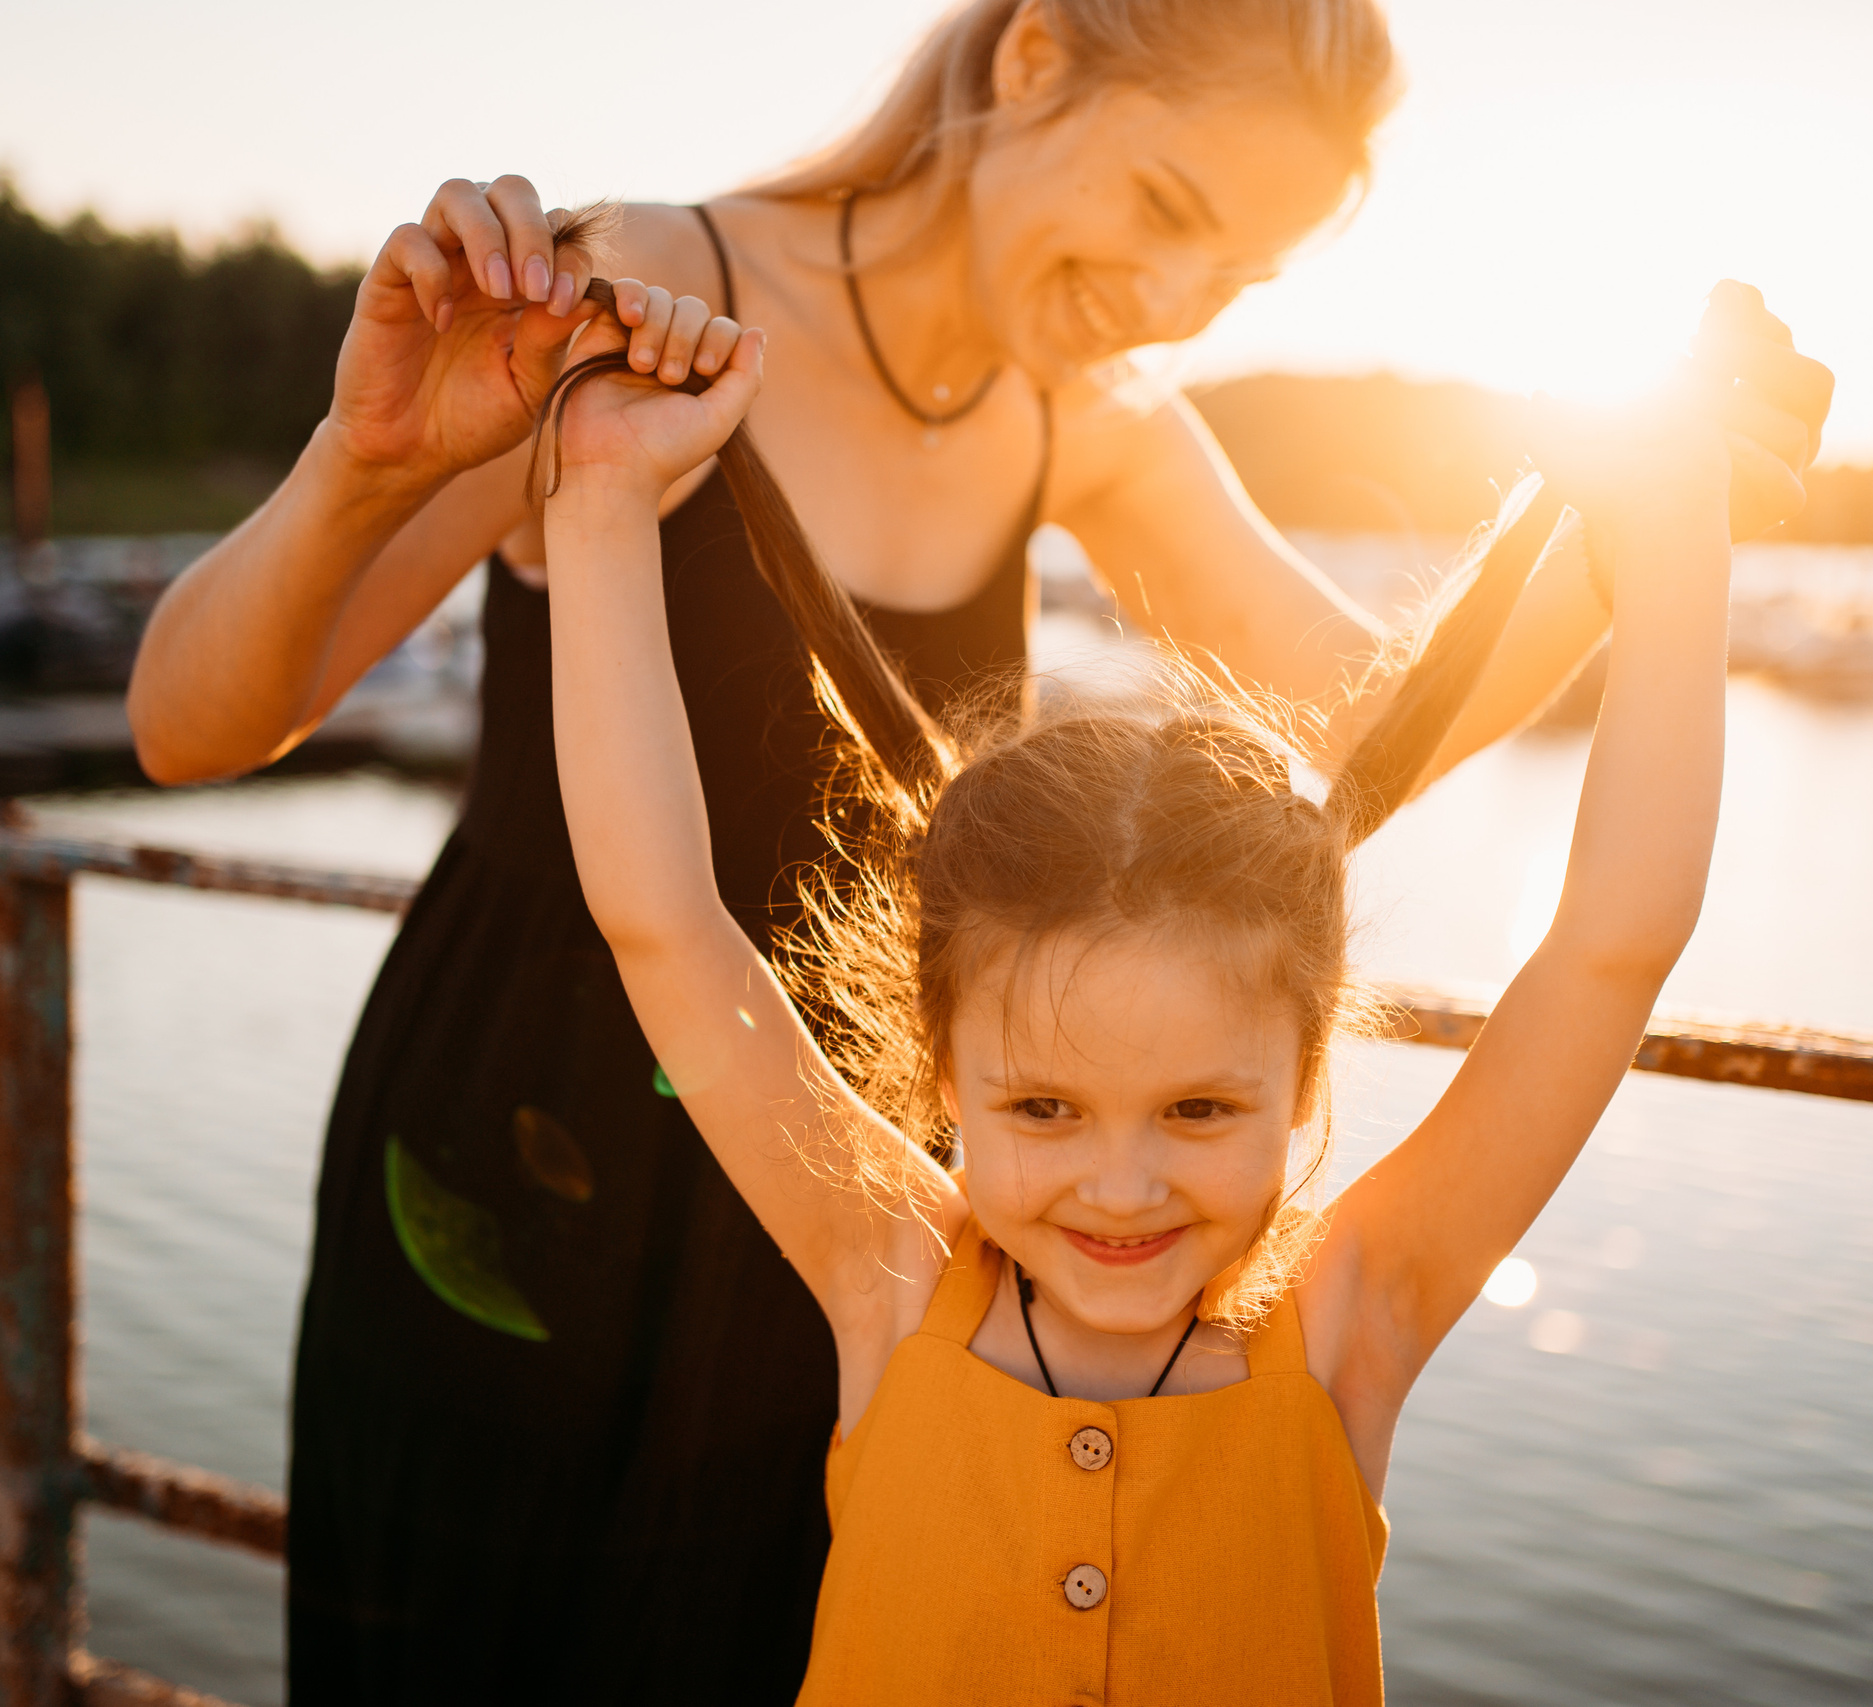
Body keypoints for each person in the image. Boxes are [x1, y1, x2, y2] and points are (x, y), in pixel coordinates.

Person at [123, 1, 1831, 1695]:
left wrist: (1661, 514)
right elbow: (207, 736)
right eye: (1167, 207)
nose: (1174, 300)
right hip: (527, 1163)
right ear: (1031, 60)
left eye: (1236, 275)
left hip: (893, 1180)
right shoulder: (617, 317)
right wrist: (376, 461)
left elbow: (1372, 730)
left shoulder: (1092, 422)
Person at [533, 270, 1738, 1704]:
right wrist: (602, 497)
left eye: (1199, 1109)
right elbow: (663, 922)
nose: (1121, 1189)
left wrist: (1680, 538)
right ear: (945, 1075)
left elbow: (1611, 944)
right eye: (1043, 1108)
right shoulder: (891, 1277)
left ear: (1303, 1080)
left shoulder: (1348, 1323)